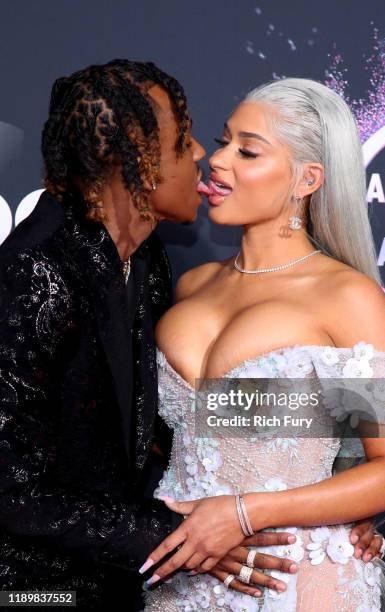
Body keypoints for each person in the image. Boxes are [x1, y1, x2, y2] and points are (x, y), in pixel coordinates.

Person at [0, 61, 326, 611]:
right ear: (136, 162)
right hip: (34, 591)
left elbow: (203, 416)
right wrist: (173, 532)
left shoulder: (148, 260)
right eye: (187, 140)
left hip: (141, 580)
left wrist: (342, 491)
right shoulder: (33, 273)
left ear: (308, 178)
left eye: (244, 150)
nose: (205, 156)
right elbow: (11, 490)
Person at [140, 78, 385, 611]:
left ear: (307, 179)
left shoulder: (352, 298)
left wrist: (244, 512)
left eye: (247, 150)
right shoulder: (191, 285)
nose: (217, 161)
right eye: (223, 142)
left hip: (294, 578)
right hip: (183, 576)